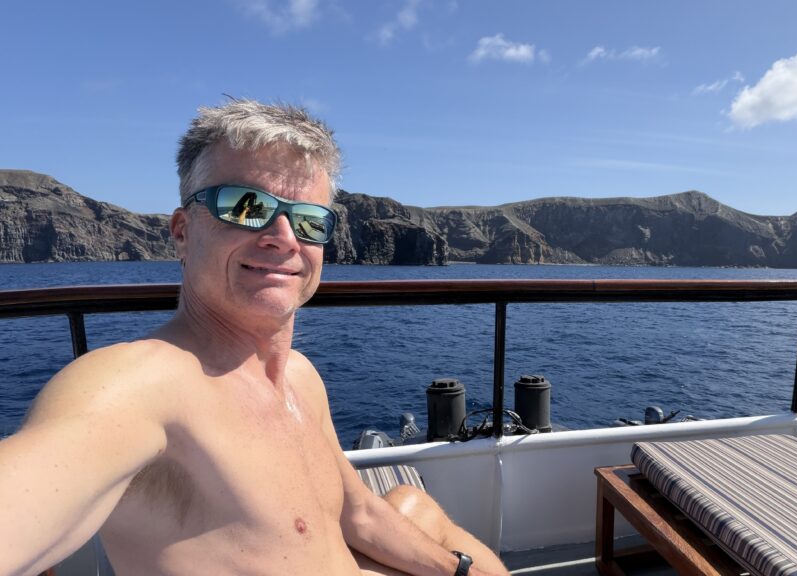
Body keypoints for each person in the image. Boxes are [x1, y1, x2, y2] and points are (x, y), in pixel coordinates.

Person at [0, 100, 510, 576]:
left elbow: (358, 515)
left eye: (309, 221)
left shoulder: (301, 377)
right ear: (182, 232)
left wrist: (459, 571)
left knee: (412, 504)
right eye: (245, 206)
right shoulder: (141, 388)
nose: (284, 238)